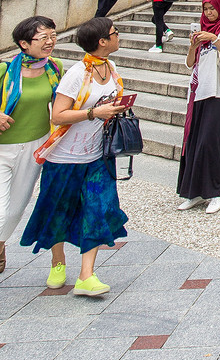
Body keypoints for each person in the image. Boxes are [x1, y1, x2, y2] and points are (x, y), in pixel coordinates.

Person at [20, 17, 128, 296]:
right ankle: (58, 262)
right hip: (65, 158)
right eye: (114, 33)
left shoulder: (111, 67)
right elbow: (58, 114)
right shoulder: (77, 74)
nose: (118, 36)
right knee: (57, 211)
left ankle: (86, 275)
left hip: (97, 156)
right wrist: (94, 113)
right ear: (102, 41)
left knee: (97, 210)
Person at [0, 17, 62, 275]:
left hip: (36, 146)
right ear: (24, 43)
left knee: (17, 207)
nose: (50, 42)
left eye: (52, 35)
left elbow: (61, 105)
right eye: (43, 37)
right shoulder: (4, 69)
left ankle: (0, 245)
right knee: (1, 209)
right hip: (3, 147)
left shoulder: (54, 68)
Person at [176, 0, 220, 214]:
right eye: (205, 8)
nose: (209, 12)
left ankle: (216, 192)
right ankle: (192, 192)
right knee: (193, 143)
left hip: (217, 93)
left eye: (212, 8)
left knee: (211, 143)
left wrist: (214, 39)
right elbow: (188, 63)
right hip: (197, 92)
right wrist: (194, 45)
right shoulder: (201, 29)